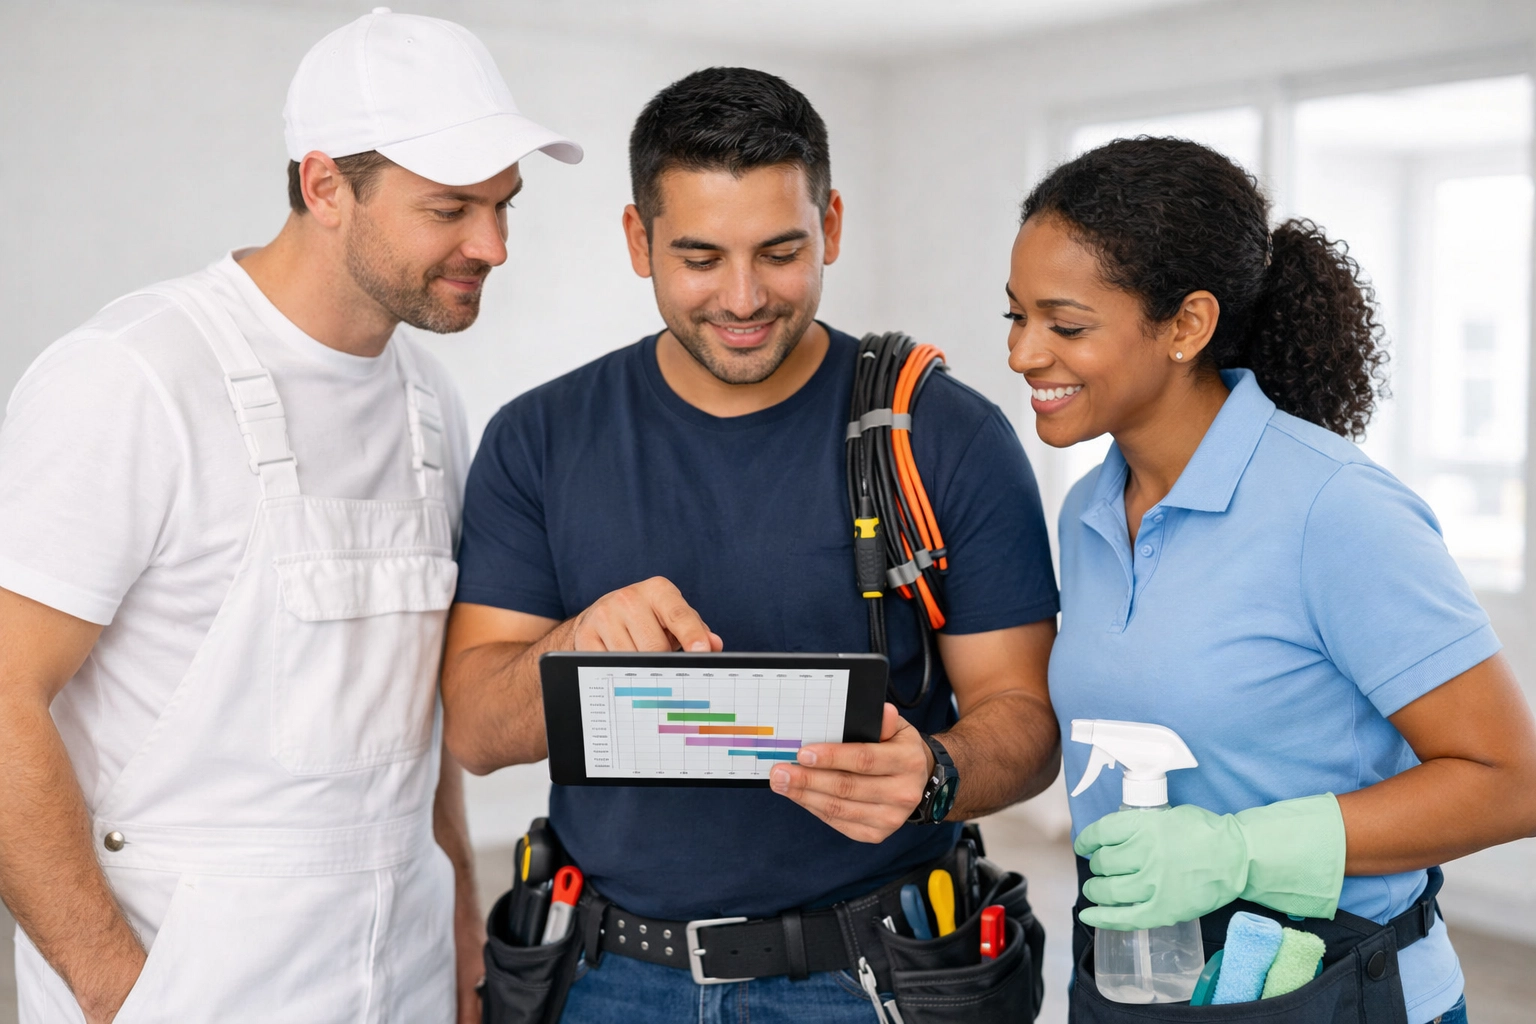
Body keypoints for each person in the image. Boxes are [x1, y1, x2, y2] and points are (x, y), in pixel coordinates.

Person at [442, 67, 1060, 1021]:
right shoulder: (539, 438)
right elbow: (479, 732)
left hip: (873, 977)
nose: (742, 298)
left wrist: (935, 776)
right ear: (637, 242)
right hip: (607, 977)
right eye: (699, 257)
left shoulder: (942, 434)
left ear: (834, 227)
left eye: (780, 251)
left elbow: (1023, 718)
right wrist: (576, 646)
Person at [0, 10, 580, 1023]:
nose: (491, 245)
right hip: (183, 986)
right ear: (323, 187)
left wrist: (454, 932)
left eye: (503, 206)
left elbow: (414, 713)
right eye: (450, 208)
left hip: (396, 975)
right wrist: (120, 996)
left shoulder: (430, 403)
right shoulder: (135, 376)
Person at [1005, 137, 1536, 1023]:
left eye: (1065, 325)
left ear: (1187, 326)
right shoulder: (1089, 513)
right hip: (1131, 984)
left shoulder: (1334, 509)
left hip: (1334, 992)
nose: (1024, 354)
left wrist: (1242, 851)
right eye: (1014, 316)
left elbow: (1510, 778)